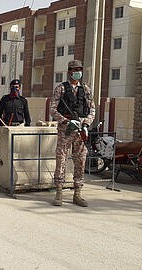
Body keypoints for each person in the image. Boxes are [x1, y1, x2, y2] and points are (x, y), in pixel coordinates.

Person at [49, 60, 95, 207]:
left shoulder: (86, 89)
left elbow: (92, 109)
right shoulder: (61, 89)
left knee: (80, 160)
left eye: (80, 70)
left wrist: (86, 123)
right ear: (69, 71)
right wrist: (65, 121)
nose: (78, 72)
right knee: (61, 160)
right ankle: (59, 192)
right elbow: (53, 110)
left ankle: (77, 193)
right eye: (75, 70)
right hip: (66, 130)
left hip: (81, 130)